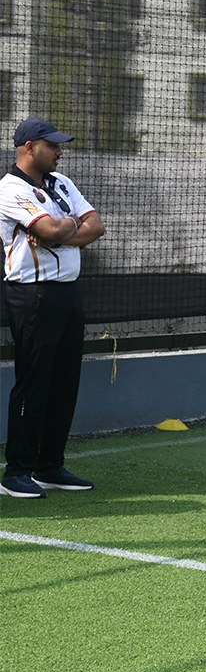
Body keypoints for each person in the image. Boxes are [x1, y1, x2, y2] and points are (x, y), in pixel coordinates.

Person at [0, 118, 105, 498]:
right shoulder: (10, 189)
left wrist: (62, 231)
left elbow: (96, 226)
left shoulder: (61, 183)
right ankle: (16, 471)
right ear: (29, 147)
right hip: (32, 295)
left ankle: (50, 466)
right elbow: (51, 229)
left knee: (64, 382)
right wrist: (66, 228)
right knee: (34, 383)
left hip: (67, 293)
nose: (60, 152)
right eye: (53, 145)